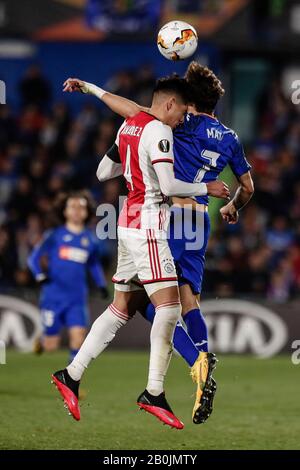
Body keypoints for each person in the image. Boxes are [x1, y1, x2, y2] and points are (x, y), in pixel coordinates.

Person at [61, 61, 254, 425]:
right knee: (187, 299)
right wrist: (230, 207)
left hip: (165, 218)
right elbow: (249, 187)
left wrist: (91, 87)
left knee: (148, 303)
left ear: (188, 103)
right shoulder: (229, 137)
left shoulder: (175, 124)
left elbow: (131, 110)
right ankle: (202, 358)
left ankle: (188, 362)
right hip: (199, 220)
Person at [28, 191, 108, 364]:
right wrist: (39, 275)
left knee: (78, 338)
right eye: (73, 206)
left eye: (81, 207)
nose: (77, 210)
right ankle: (42, 343)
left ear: (87, 212)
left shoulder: (90, 240)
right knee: (51, 345)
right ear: (64, 211)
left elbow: (94, 264)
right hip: (53, 297)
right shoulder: (54, 235)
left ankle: (71, 382)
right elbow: (33, 258)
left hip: (77, 299)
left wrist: (101, 284)